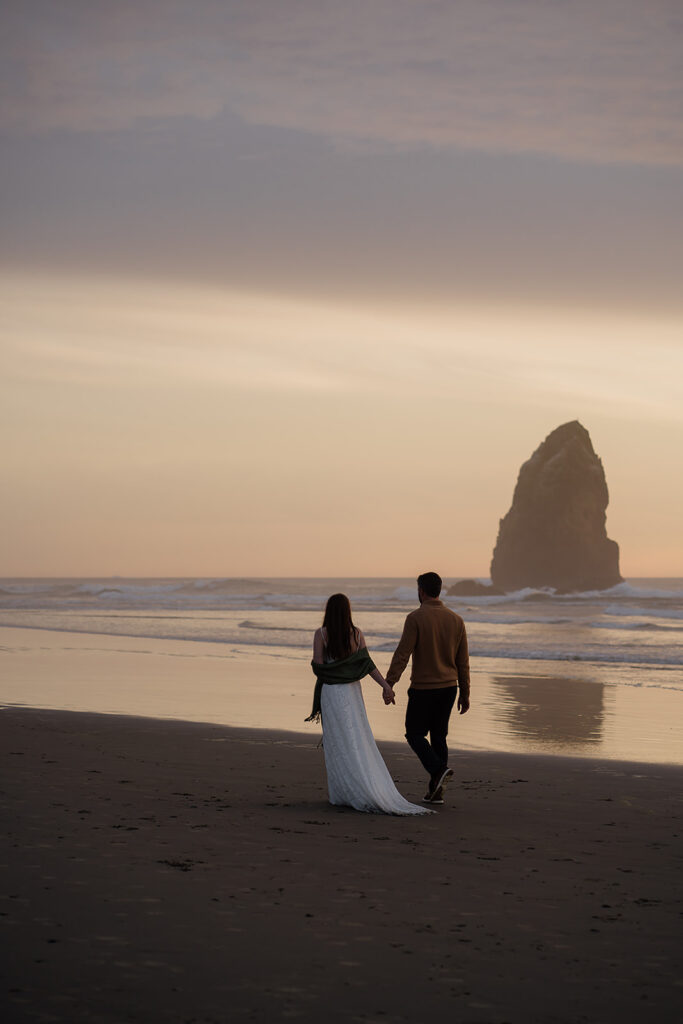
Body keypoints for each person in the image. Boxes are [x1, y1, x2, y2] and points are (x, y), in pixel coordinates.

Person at [307, 593, 432, 815]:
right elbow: (367, 665)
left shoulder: (321, 634)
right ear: (347, 611)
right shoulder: (356, 634)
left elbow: (318, 667)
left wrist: (334, 671)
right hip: (352, 692)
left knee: (338, 741)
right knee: (357, 738)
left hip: (331, 693)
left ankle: (344, 792)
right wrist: (385, 686)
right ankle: (359, 787)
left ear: (328, 611)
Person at [386, 572, 470, 805]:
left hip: (424, 688)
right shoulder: (456, 619)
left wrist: (390, 682)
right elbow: (463, 662)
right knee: (439, 736)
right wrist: (465, 692)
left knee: (414, 733)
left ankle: (437, 771)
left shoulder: (415, 618)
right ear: (439, 590)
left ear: (421, 591)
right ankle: (436, 789)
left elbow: (403, 654)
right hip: (449, 689)